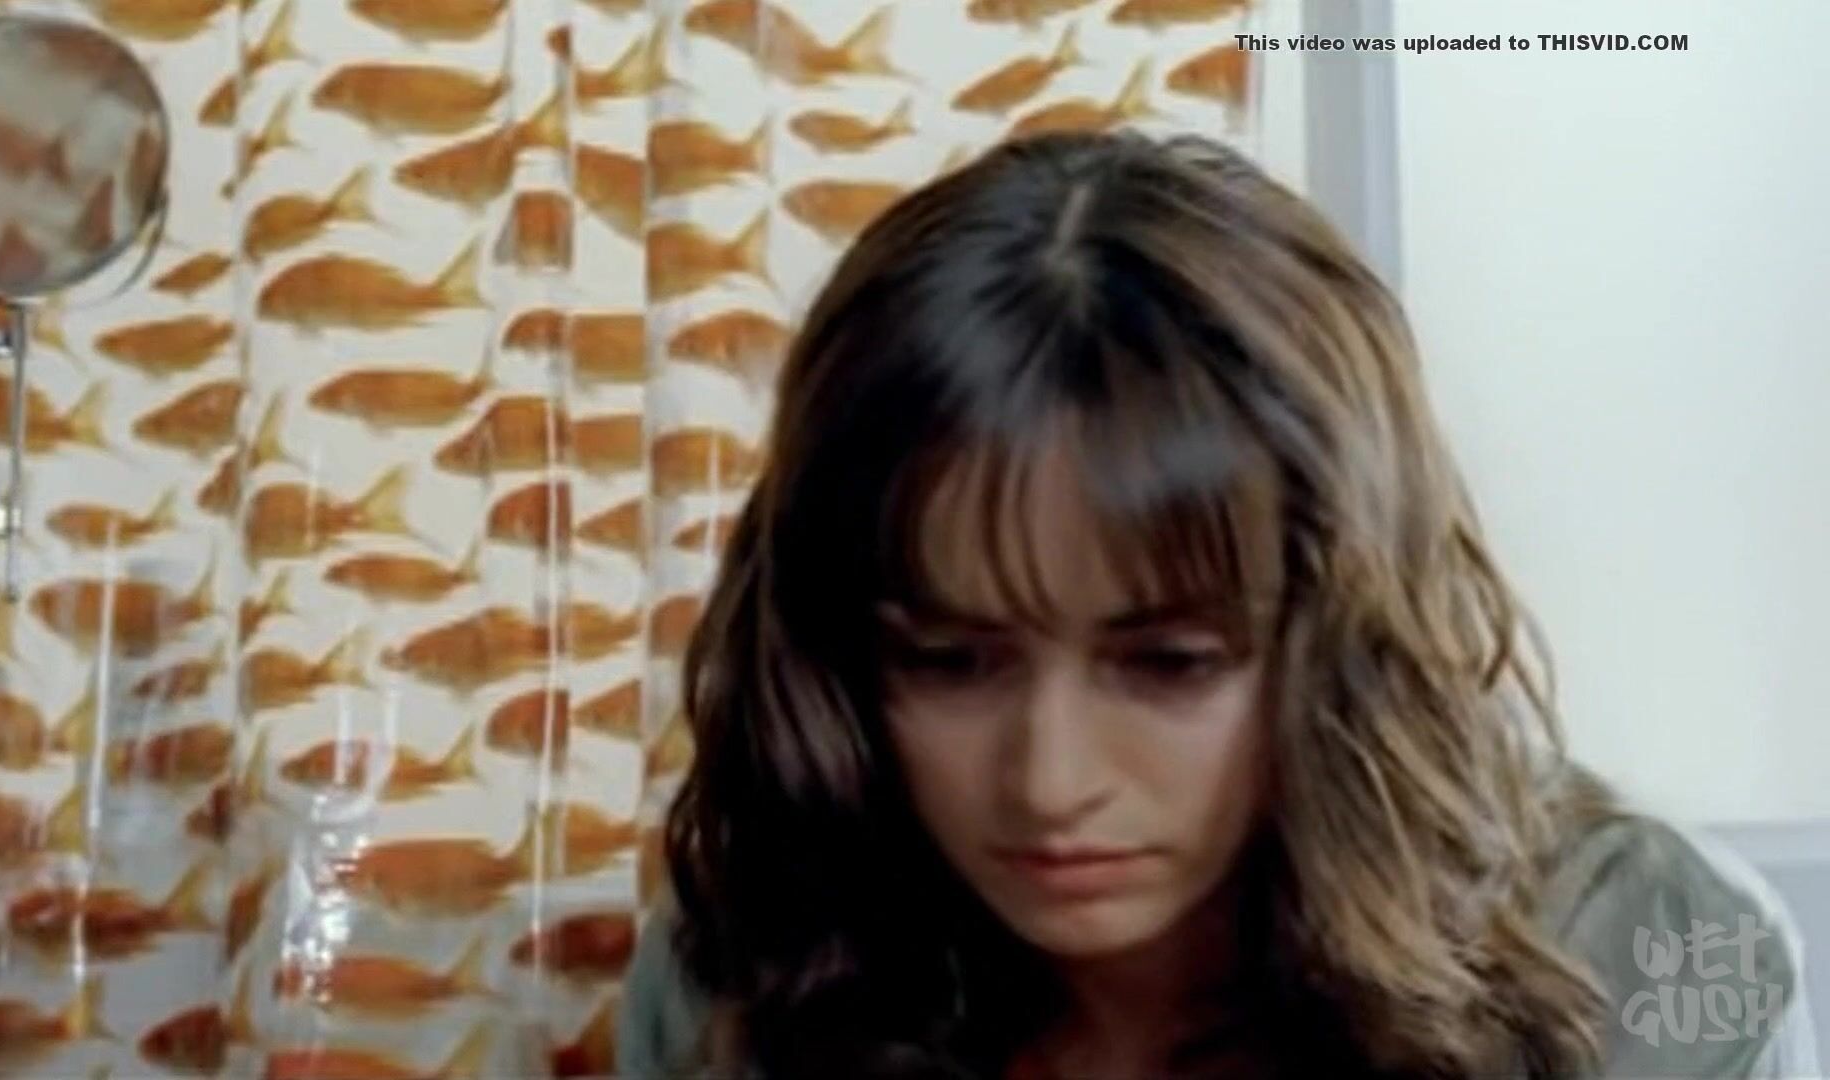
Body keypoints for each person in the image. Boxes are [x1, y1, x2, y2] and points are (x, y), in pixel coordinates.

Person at [615, 130, 1820, 1078]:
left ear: (1341, 633)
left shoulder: (1652, 948)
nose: (1051, 783)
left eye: (1170, 663)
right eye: (947, 659)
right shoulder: (749, 972)